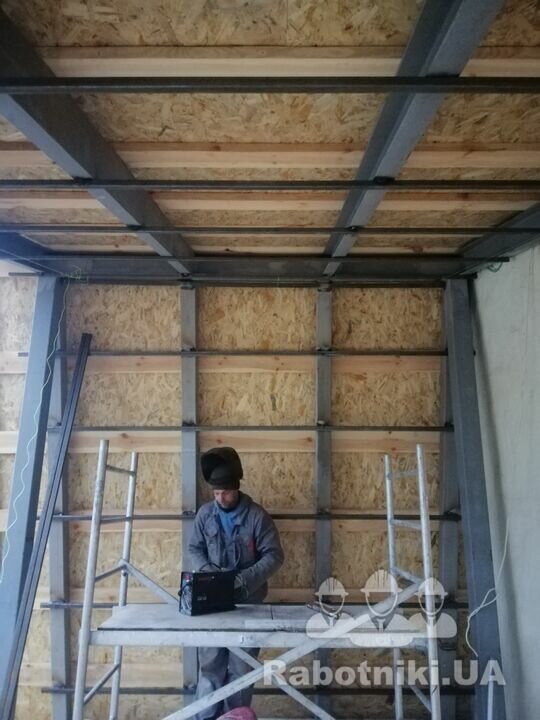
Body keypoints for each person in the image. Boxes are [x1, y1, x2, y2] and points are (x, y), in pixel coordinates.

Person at [188, 446, 284, 720]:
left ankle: (235, 717)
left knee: (242, 669)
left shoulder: (257, 517)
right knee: (210, 666)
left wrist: (242, 580)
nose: (221, 498)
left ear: (237, 488)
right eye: (216, 493)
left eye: (226, 493)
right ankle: (206, 716)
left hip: (249, 604)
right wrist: (210, 575)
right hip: (211, 604)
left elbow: (275, 556)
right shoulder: (205, 514)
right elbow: (194, 548)